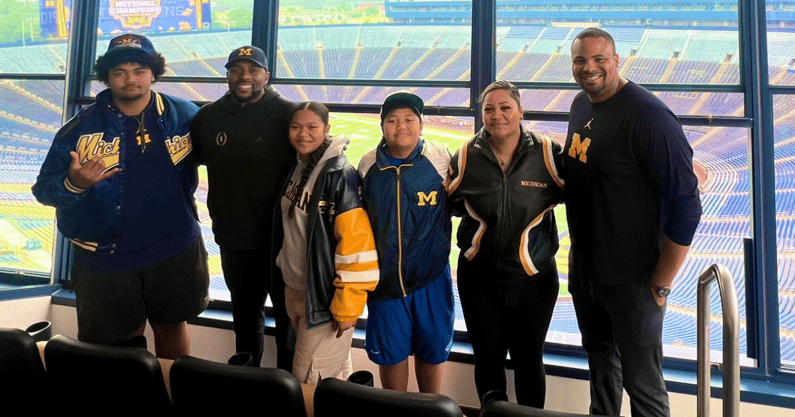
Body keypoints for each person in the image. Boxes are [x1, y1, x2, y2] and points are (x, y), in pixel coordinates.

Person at [32, 34, 208, 359]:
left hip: (175, 249)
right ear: (107, 78)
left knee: (171, 327)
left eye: (139, 70)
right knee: (112, 351)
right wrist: (74, 183)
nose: (131, 79)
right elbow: (44, 190)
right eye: (120, 72)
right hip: (104, 256)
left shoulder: (185, 114)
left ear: (153, 73)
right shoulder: (79, 129)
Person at [562, 28, 702, 417]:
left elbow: (687, 205)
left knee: (644, 388)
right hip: (587, 271)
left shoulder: (649, 116)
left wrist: (661, 282)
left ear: (617, 60)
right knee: (602, 370)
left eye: (598, 59)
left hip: (633, 279)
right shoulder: (580, 105)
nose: (589, 68)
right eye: (580, 60)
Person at [447, 80, 564, 408]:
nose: (497, 115)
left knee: (529, 362)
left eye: (505, 107)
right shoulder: (466, 156)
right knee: (488, 362)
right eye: (488, 109)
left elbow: (584, 200)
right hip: (479, 281)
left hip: (534, 281)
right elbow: (446, 205)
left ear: (520, 112)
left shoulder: (548, 153)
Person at [190, 45, 295, 368]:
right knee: (245, 323)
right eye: (236, 69)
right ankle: (247, 391)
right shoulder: (208, 117)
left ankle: (289, 392)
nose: (244, 76)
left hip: (284, 241)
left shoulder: (289, 114)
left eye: (252, 70)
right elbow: (191, 163)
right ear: (228, 75)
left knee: (290, 326)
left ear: (266, 75)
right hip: (235, 238)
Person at [276, 101, 379, 383]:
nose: (303, 134)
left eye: (312, 127)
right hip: (297, 288)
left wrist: (348, 304)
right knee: (333, 375)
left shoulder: (339, 176)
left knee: (308, 380)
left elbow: (357, 244)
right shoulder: (299, 165)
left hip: (323, 298)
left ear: (327, 129)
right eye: (296, 127)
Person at [358, 91, 455, 393]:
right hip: (385, 283)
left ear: (421, 124)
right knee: (391, 353)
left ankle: (431, 412)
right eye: (393, 120)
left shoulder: (440, 158)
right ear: (383, 126)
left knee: (432, 348)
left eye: (409, 119)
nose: (401, 126)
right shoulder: (367, 166)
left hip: (431, 278)